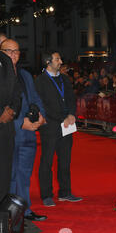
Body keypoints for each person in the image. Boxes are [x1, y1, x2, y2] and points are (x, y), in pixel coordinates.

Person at [1, 39, 47, 221]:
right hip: (11, 134)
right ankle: (10, 214)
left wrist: (41, 117)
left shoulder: (26, 75)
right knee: (10, 176)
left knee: (24, 176)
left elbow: (35, 98)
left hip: (29, 135)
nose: (13, 54)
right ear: (0, 52)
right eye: (9, 51)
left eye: (17, 51)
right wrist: (21, 123)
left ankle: (24, 211)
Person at [35, 51, 82, 207]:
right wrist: (62, 118)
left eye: (60, 58)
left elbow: (71, 99)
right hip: (50, 126)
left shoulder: (64, 79)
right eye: (57, 59)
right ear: (48, 62)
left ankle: (65, 192)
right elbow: (42, 105)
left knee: (65, 161)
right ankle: (47, 194)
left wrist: (71, 114)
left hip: (66, 125)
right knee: (47, 161)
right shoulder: (40, 81)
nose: (61, 61)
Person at [0, 20, 22, 212]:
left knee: (2, 177)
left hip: (5, 129)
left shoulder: (4, 59)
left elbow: (16, 91)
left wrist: (12, 110)